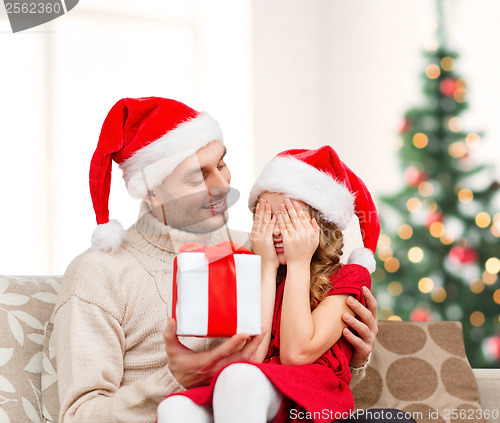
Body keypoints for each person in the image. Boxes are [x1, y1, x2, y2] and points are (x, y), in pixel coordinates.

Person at [53, 97, 378, 423]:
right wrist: (176, 379)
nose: (223, 186)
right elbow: (78, 416)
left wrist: (353, 353)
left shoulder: (260, 248)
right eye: (197, 178)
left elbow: (299, 371)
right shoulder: (98, 273)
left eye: (222, 165)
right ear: (151, 190)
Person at [157, 146, 380, 423]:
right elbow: (254, 355)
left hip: (309, 399)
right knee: (174, 408)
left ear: (321, 224)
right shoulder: (259, 272)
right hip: (255, 390)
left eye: (288, 218)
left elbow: (296, 354)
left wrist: (299, 263)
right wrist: (265, 266)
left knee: (239, 377)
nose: (275, 230)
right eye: (266, 217)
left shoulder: (349, 277)